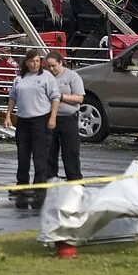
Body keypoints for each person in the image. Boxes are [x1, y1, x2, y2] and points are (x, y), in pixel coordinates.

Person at [4, 50, 61, 206]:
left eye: (37, 61)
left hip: (41, 120)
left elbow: (55, 97)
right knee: (23, 155)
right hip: (23, 121)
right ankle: (22, 184)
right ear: (26, 63)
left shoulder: (46, 77)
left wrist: (53, 116)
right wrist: (8, 115)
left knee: (40, 156)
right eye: (31, 61)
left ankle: (40, 188)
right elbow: (12, 97)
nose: (34, 64)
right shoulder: (19, 79)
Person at [45, 50, 84, 181]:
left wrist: (61, 97)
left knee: (70, 151)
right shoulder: (46, 77)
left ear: (60, 63)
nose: (51, 69)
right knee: (50, 151)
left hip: (68, 118)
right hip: (49, 117)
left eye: (53, 66)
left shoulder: (72, 76)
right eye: (48, 66)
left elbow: (79, 98)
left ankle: (75, 180)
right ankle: (50, 179)